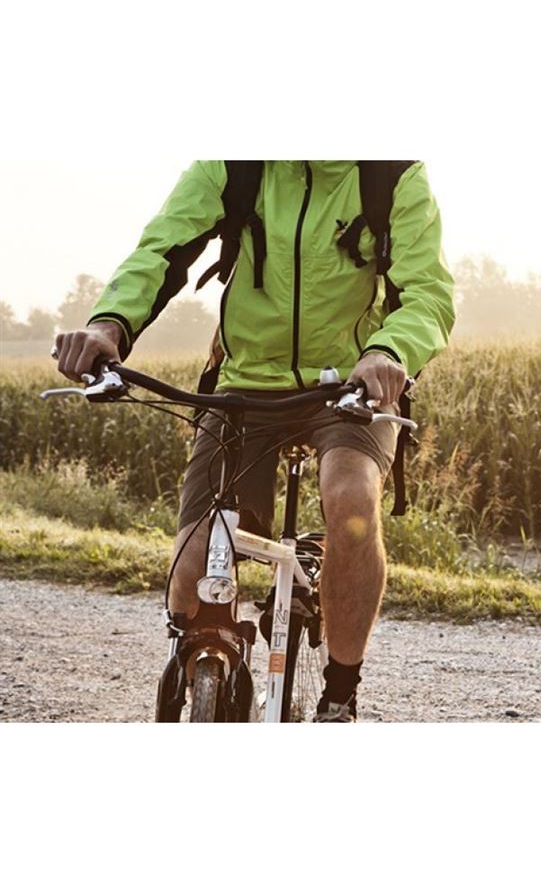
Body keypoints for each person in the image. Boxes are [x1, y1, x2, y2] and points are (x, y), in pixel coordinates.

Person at [53, 160, 455, 721]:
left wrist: (388, 353)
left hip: (352, 387)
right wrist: (109, 323)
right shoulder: (234, 164)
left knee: (351, 498)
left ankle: (339, 696)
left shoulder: (389, 174)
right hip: (244, 385)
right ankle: (214, 669)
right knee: (192, 572)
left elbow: (428, 293)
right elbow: (162, 248)